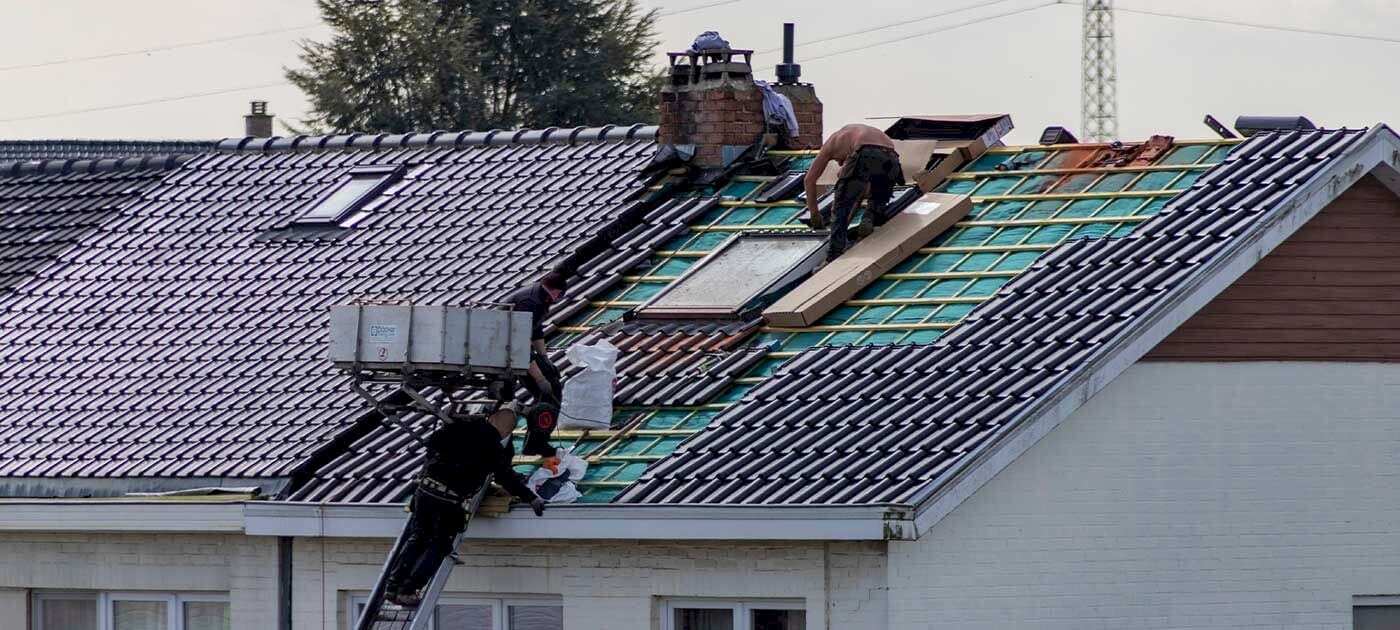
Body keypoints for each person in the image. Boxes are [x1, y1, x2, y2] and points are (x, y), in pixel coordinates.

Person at [385, 406, 546, 607]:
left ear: (490, 417)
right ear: (506, 432)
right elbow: (505, 477)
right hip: (447, 500)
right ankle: (407, 591)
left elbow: (433, 442)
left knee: (418, 537)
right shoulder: (492, 447)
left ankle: (392, 586)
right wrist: (531, 498)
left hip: (424, 491)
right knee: (439, 546)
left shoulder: (460, 425)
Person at [802, 123, 905, 262]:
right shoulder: (851, 137)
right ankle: (869, 217)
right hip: (891, 157)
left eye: (838, 161)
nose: (839, 164)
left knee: (840, 206)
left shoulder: (830, 145)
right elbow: (859, 192)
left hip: (866, 150)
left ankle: (833, 255)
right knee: (878, 196)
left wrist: (815, 214)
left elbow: (809, 180)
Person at [503, 273, 568, 457]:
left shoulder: (540, 298)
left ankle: (535, 442)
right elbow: (519, 345)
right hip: (506, 353)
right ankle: (531, 445)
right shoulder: (529, 302)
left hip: (514, 350)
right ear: (556, 292)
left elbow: (536, 330)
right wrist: (539, 378)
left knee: (552, 385)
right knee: (545, 393)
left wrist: (544, 358)